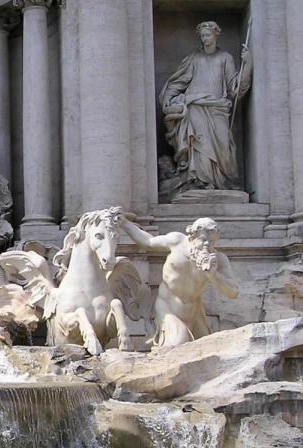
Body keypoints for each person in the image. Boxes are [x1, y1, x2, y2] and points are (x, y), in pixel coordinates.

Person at [118, 216, 239, 348]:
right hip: (168, 308)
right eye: (203, 240)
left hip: (194, 312)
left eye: (212, 242)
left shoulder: (218, 259)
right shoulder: (177, 241)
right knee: (178, 344)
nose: (207, 245)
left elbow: (233, 292)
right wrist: (124, 223)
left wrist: (213, 275)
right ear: (192, 237)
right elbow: (148, 241)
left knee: (206, 349)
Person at [159, 21, 251, 194]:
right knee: (198, 142)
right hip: (195, 106)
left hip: (218, 108)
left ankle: (222, 182)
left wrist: (247, 65)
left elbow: (235, 88)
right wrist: (169, 98)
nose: (205, 38)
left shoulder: (225, 58)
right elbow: (178, 82)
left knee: (223, 144)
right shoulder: (194, 58)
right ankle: (199, 181)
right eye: (202, 36)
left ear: (216, 35)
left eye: (207, 35)